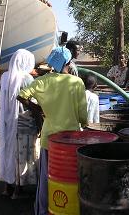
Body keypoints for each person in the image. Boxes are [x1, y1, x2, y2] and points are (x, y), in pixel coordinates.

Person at [18, 47, 88, 215]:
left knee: (46, 179)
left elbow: (21, 95)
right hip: (71, 140)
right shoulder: (76, 82)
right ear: (69, 63)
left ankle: (42, 211)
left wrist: (38, 108)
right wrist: (83, 123)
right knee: (69, 179)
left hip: (49, 138)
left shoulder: (43, 81)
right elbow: (82, 115)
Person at [0, 49, 36, 199]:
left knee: (7, 151)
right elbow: (32, 102)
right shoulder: (27, 79)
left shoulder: (4, 77)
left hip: (6, 122)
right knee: (20, 156)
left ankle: (7, 187)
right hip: (22, 123)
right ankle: (18, 190)